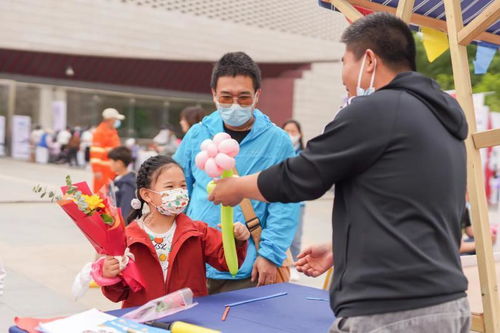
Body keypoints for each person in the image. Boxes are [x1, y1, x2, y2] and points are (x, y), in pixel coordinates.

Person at [208, 13, 470, 333]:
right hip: (447, 303)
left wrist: (237, 187)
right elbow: (413, 208)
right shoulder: (441, 118)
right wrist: (341, 247)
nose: (343, 76)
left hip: (392, 308)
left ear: (369, 61)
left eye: (345, 62)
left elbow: (302, 175)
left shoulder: (376, 109)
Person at [174, 52, 300, 294]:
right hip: (195, 263)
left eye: (243, 97)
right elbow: (179, 190)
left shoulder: (277, 142)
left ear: (257, 96)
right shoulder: (197, 134)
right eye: (226, 97)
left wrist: (270, 256)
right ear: (213, 94)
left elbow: (286, 204)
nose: (234, 105)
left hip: (248, 269)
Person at [101, 155, 249, 308]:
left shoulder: (198, 232)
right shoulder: (127, 238)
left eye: (183, 186)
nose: (179, 192)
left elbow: (227, 263)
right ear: (146, 194)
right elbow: (118, 294)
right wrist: (109, 275)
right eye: (170, 187)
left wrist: (237, 240)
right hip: (143, 323)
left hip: (188, 319)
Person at [282, 119, 306, 281]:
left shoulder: (305, 154)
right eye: (287, 131)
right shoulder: (279, 151)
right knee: (282, 233)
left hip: (298, 201)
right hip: (281, 198)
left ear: (300, 134)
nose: (290, 135)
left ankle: (295, 265)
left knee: (296, 237)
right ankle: (283, 264)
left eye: (293, 132)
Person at [90, 108, 124, 192]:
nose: (117, 121)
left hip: (112, 170)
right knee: (101, 195)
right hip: (103, 171)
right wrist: (97, 170)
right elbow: (95, 153)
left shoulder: (112, 132)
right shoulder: (100, 132)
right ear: (110, 120)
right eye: (116, 119)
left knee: (111, 195)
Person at [108, 146, 136, 222]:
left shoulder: (128, 184)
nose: (109, 163)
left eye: (111, 161)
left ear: (119, 163)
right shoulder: (118, 179)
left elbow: (125, 212)